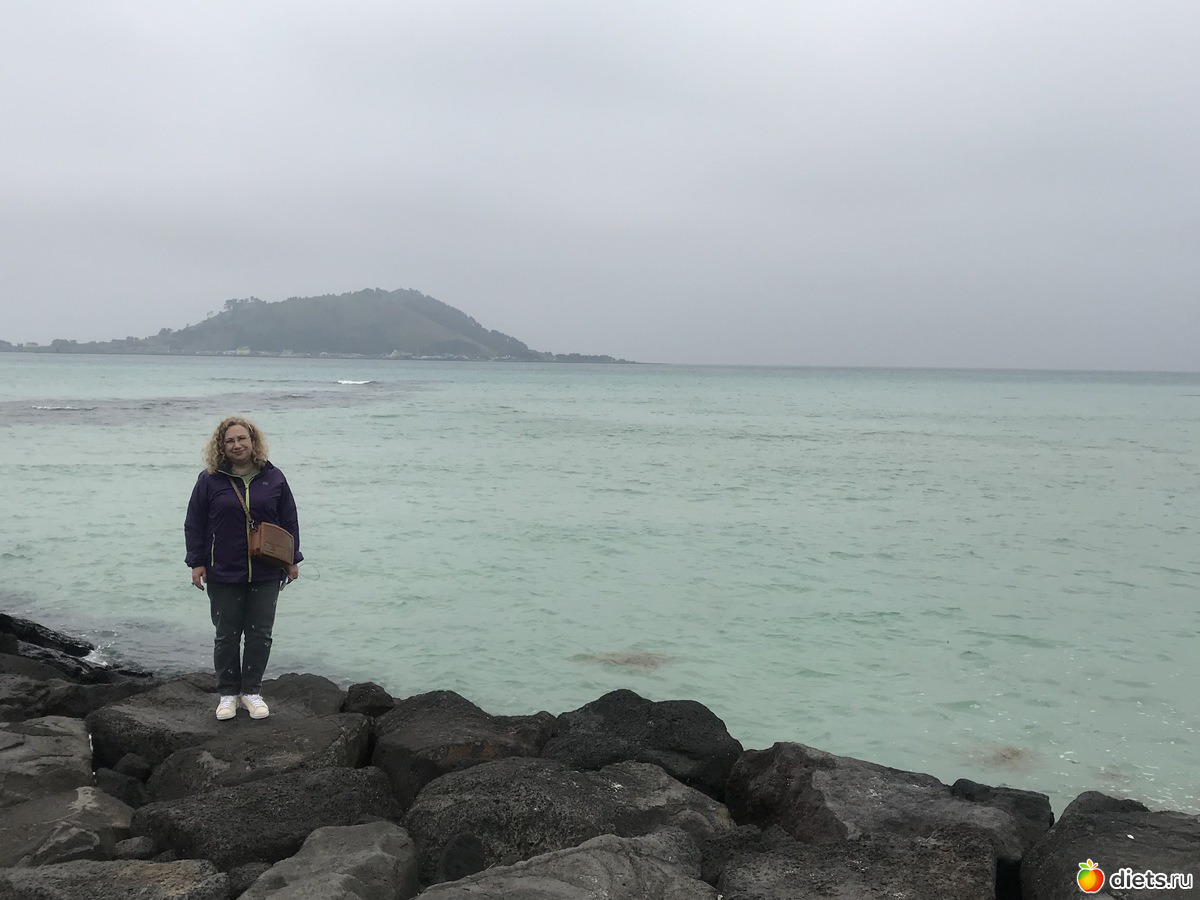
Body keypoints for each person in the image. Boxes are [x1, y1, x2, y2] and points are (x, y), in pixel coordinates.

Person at [184, 416, 301, 721]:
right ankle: (227, 694)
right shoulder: (209, 480)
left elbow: (289, 520)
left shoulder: (274, 478)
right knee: (226, 634)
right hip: (223, 570)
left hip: (267, 570)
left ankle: (251, 692)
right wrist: (196, 562)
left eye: (242, 439)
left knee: (260, 633)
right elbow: (194, 523)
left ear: (253, 441)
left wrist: (293, 560)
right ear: (221, 447)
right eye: (230, 441)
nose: (237, 445)